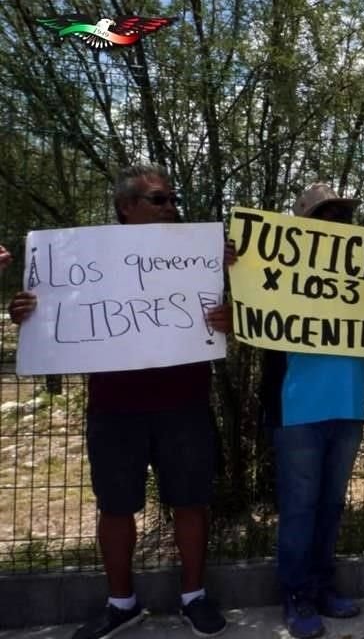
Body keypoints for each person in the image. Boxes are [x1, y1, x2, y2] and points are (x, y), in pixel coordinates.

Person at [9, 165, 231, 639]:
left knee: (191, 502)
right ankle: (121, 603)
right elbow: (53, 319)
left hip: (184, 402)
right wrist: (24, 312)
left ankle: (194, 596)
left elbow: (240, 313)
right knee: (115, 507)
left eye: (173, 200)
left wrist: (230, 317)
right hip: (115, 408)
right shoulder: (82, 258)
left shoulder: (201, 254)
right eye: (159, 200)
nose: (171, 208)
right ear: (126, 207)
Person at [252, 183, 364, 639]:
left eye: (341, 214)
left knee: (330, 506)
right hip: (296, 408)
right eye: (325, 214)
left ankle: (321, 585)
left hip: (348, 403)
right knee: (299, 506)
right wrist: (240, 267)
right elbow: (250, 308)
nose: (336, 221)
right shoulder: (275, 272)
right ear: (303, 225)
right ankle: (296, 595)